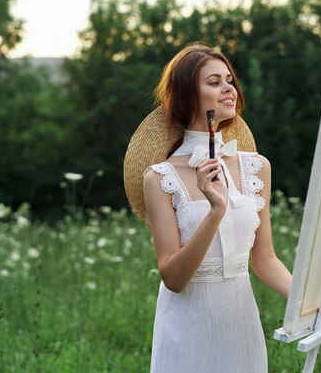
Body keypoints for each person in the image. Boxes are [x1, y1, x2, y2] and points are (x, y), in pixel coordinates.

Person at [124, 43, 292, 373]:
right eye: (213, 82)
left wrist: (316, 306)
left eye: (228, 80)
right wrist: (215, 212)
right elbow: (173, 277)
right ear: (188, 95)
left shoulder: (256, 167)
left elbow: (265, 259)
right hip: (188, 329)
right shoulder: (160, 178)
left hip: (240, 322)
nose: (228, 88)